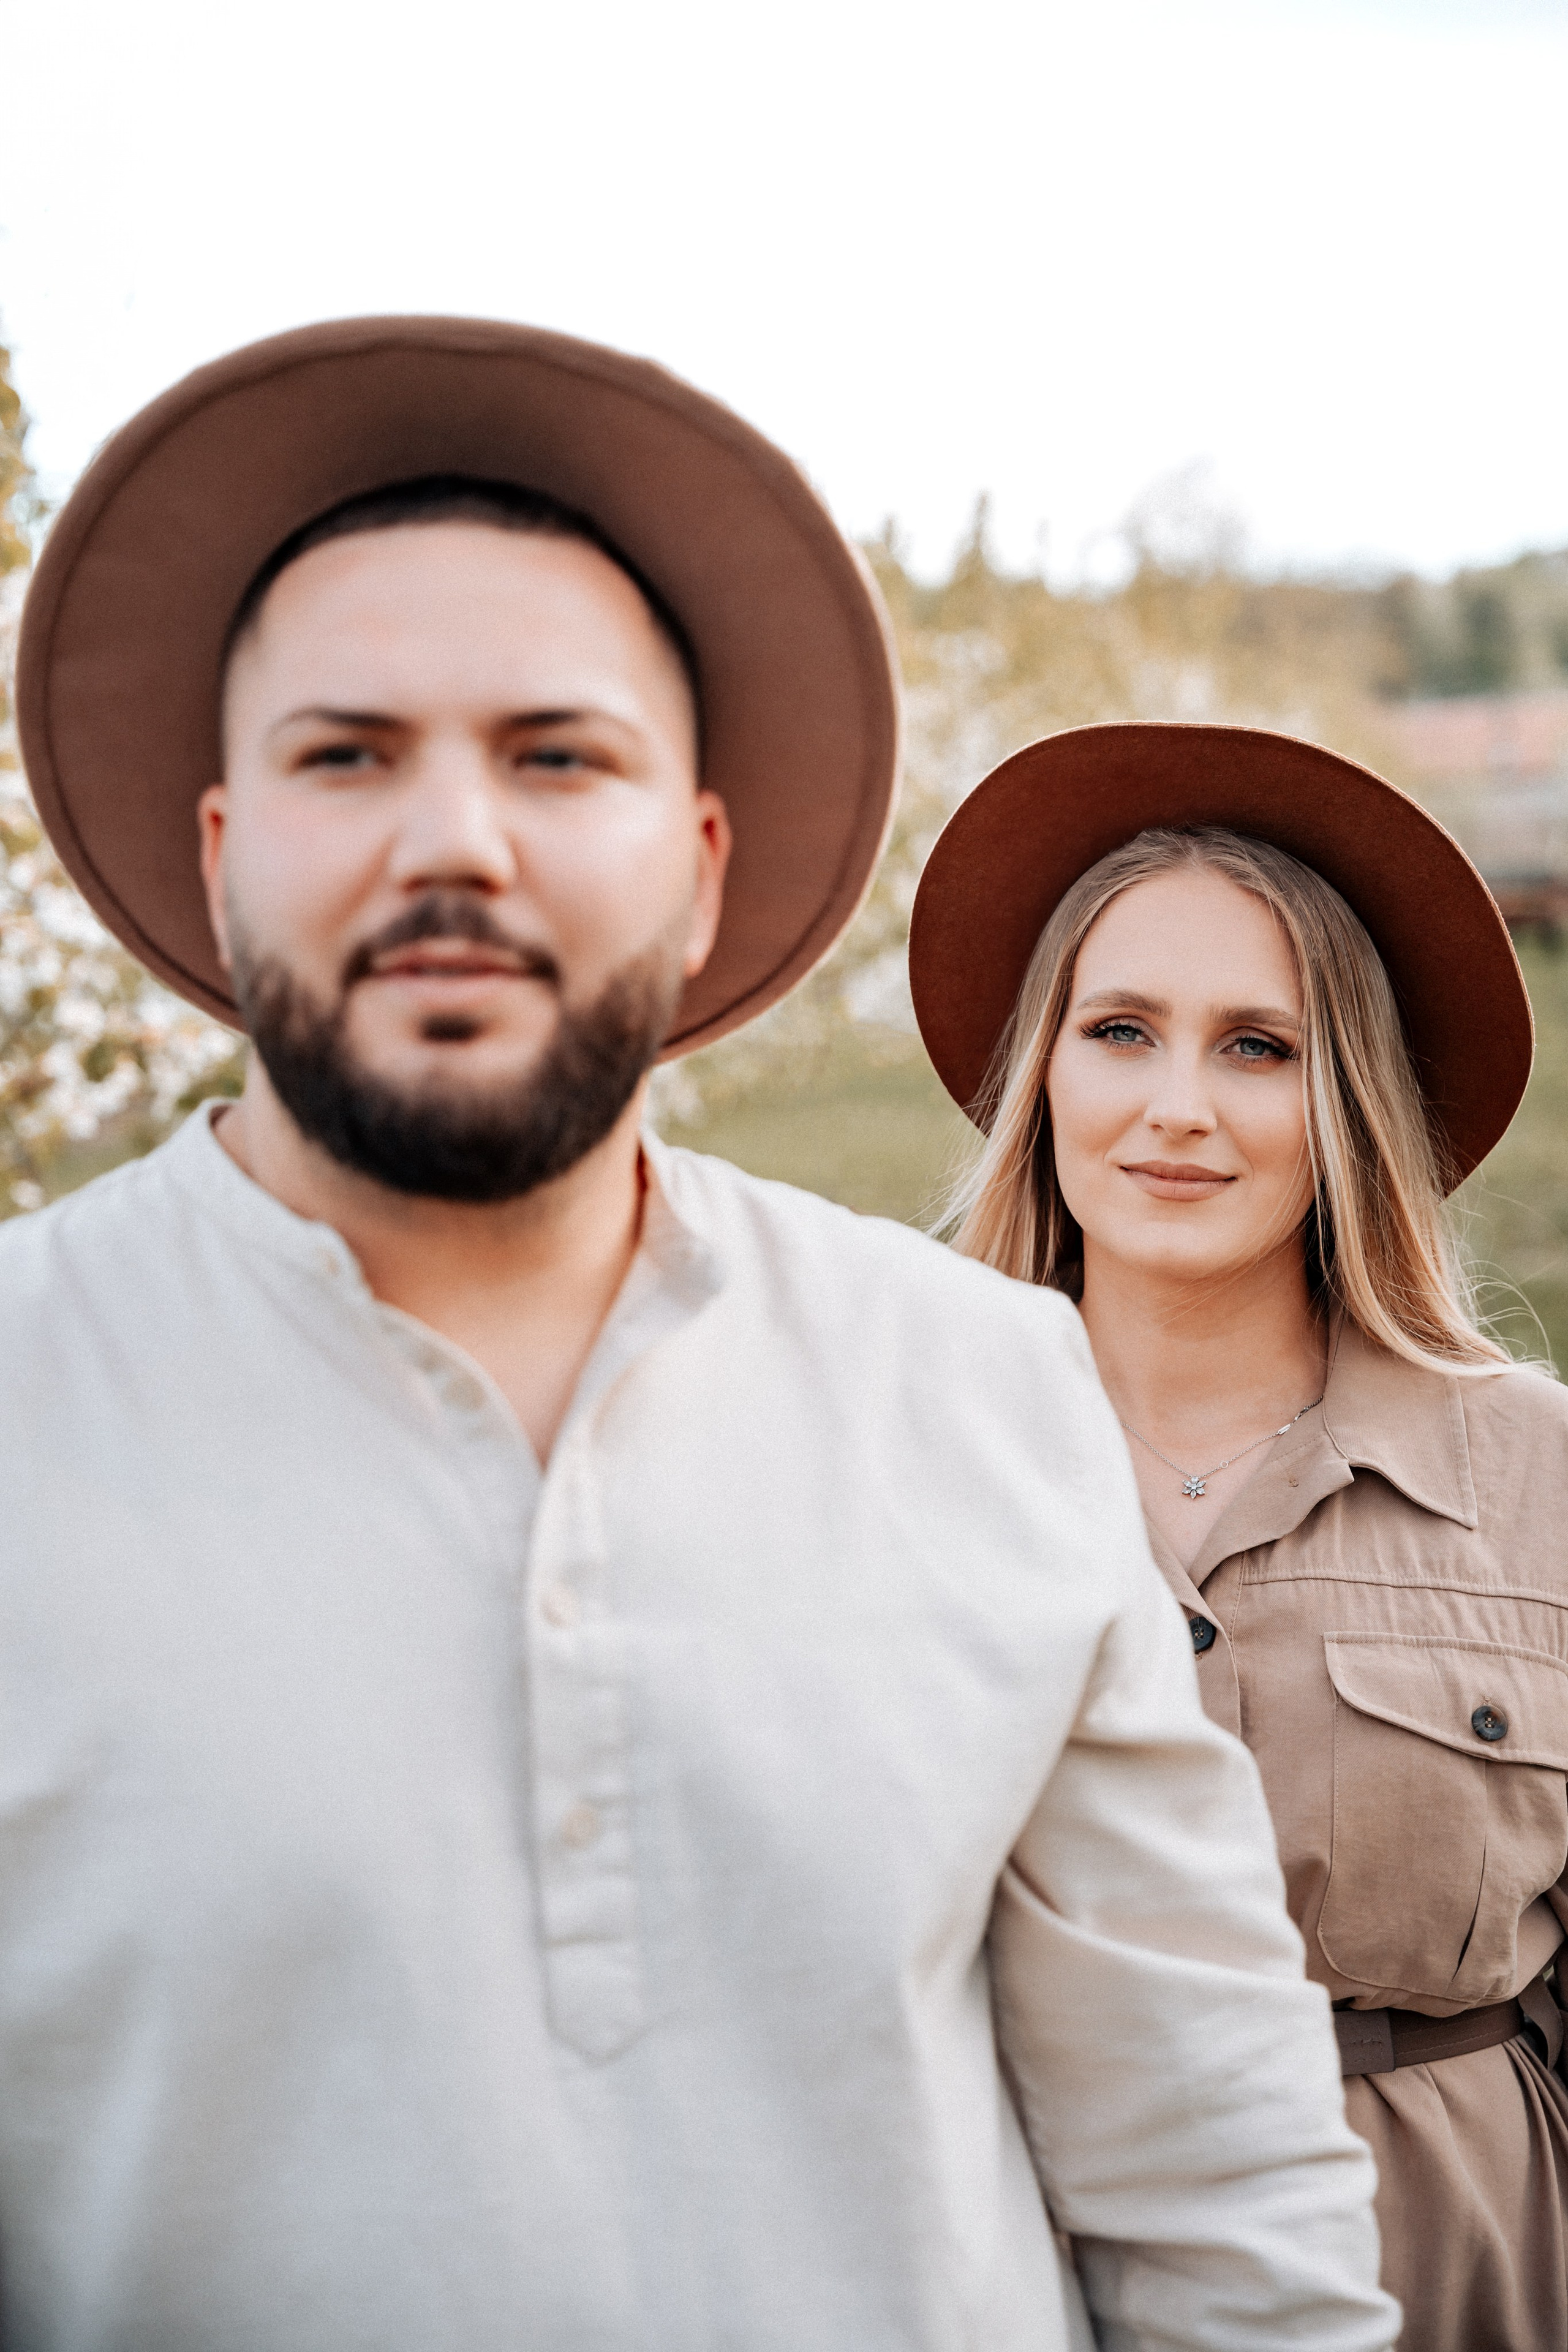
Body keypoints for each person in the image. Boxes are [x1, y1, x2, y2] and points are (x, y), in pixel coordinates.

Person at [2, 320, 1396, 2352]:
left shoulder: (980, 1388)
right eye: (346, 754)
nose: (454, 841)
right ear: (224, 858)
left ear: (699, 871)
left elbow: (1223, 2201)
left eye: (558, 756)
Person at [910, 717, 1568, 2352]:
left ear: (1346, 1099)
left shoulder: (1536, 1474)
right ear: (1044, 1069)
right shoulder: (890, 1457)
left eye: (1259, 1047)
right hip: (1000, 2256)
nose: (1177, 1108)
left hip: (1445, 2267)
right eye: (1121, 1031)